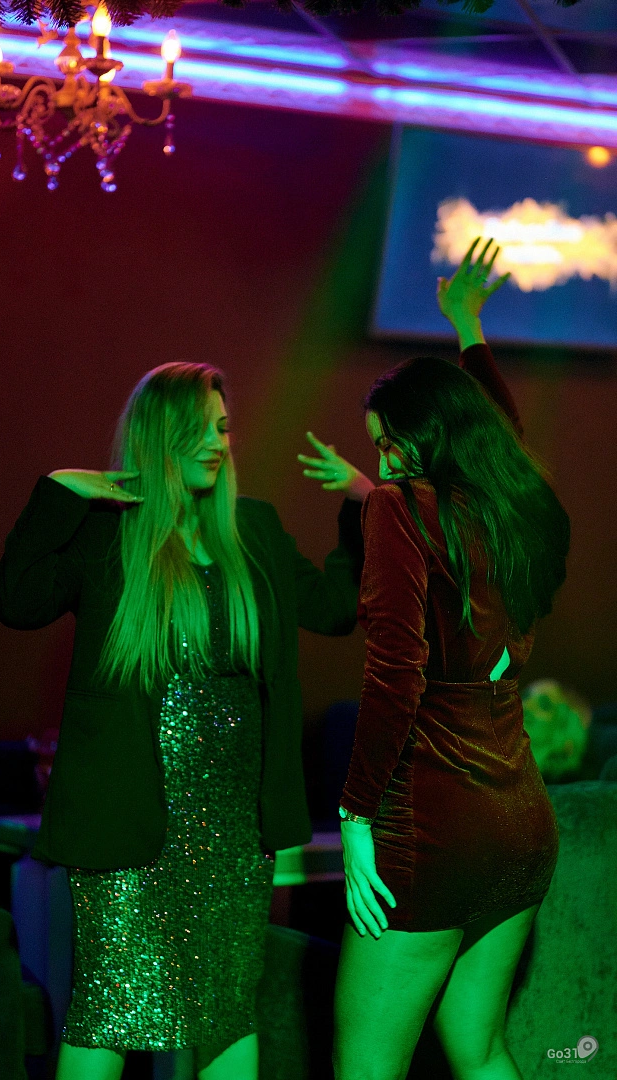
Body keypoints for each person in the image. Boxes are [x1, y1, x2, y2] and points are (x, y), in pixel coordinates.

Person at [0, 361, 373, 1080]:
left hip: (234, 829)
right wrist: (62, 489)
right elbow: (16, 600)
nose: (216, 442)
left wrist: (363, 505)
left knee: (227, 1009)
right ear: (159, 436)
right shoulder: (109, 534)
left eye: (222, 428)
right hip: (127, 819)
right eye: (198, 429)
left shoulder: (254, 529)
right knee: (110, 1010)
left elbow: (335, 609)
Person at [333, 239, 570, 1080]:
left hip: (434, 826)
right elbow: (499, 438)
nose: (382, 468)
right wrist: (469, 327)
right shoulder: (513, 511)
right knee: (481, 1051)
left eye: (388, 447)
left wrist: (355, 819)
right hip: (521, 822)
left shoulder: (399, 509)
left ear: (423, 440)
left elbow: (395, 675)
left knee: (366, 1068)